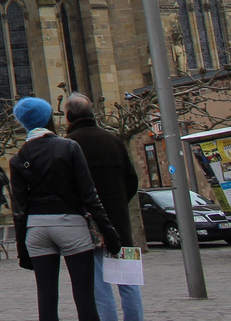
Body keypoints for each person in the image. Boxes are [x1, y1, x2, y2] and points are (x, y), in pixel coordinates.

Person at [10, 96, 122, 321]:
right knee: (84, 297)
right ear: (49, 117)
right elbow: (89, 195)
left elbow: (19, 210)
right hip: (70, 223)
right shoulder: (69, 147)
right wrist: (109, 232)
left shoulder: (18, 158)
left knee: (47, 297)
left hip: (37, 228)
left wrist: (22, 250)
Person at [62, 93, 143, 321]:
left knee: (100, 283)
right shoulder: (113, 140)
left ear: (68, 116)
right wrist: (118, 203)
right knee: (128, 281)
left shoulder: (69, 145)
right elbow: (132, 180)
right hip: (119, 220)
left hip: (88, 224)